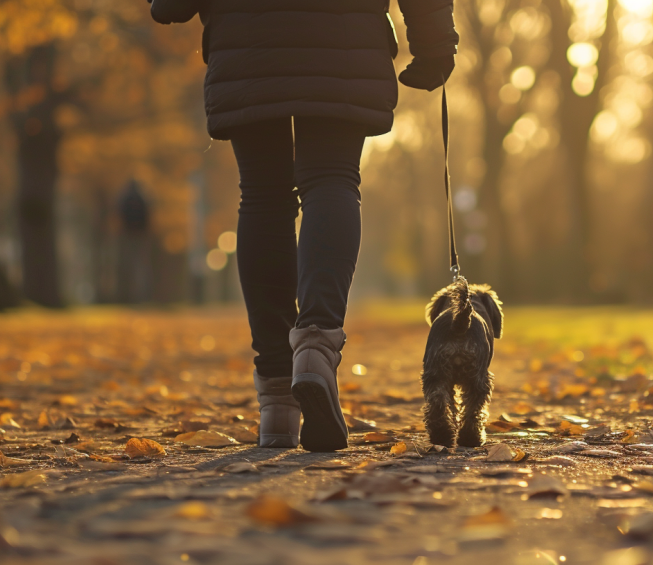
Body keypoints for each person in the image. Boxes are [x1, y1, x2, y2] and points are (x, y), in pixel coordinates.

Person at [148, 0, 459, 451]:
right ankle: (316, 345)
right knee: (332, 178)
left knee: (262, 195)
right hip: (343, 40)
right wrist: (434, 44)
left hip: (247, 39)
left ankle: (276, 397)